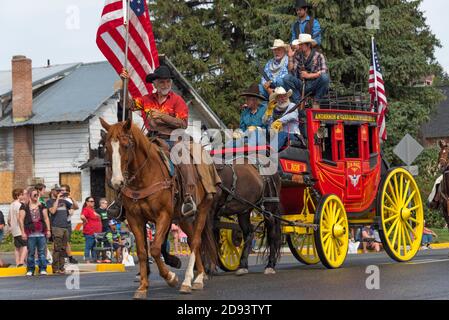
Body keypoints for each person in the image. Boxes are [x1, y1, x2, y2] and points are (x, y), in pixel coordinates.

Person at [120, 65, 207, 217]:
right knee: (128, 157)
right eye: (161, 82)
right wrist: (124, 85)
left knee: (185, 161)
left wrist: (161, 116)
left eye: (167, 82)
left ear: (170, 83)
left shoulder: (177, 101)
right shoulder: (146, 100)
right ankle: (120, 199)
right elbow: (128, 105)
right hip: (151, 139)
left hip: (173, 139)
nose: (165, 85)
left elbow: (183, 123)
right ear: (155, 84)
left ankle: (188, 197)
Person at [283, 33, 330, 107]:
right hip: (301, 84)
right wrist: (290, 57)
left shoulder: (318, 56)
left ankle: (316, 101)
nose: (300, 46)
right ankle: (298, 102)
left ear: (308, 45)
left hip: (314, 84)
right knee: (286, 78)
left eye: (302, 44)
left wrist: (309, 76)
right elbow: (291, 70)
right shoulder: (298, 56)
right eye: (300, 44)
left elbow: (324, 71)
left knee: (325, 78)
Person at [19, 188, 51, 276]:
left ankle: (43, 268)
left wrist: (48, 230)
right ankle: (30, 269)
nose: (36, 196)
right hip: (30, 233)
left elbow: (46, 218)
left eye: (37, 194)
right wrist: (23, 232)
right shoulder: (24, 206)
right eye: (34, 195)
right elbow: (21, 220)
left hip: (41, 233)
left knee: (41, 252)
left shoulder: (42, 205)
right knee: (31, 252)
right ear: (30, 195)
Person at [231, 83, 268, 148]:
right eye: (246, 99)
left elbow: (267, 127)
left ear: (255, 100)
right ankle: (224, 148)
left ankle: (247, 145)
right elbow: (242, 128)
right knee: (232, 141)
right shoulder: (244, 113)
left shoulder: (264, 110)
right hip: (246, 138)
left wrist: (256, 129)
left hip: (261, 138)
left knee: (257, 131)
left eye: (248, 99)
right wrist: (239, 132)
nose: (246, 101)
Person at [46, 187, 72, 274]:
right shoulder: (49, 201)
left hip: (65, 226)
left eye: (60, 191)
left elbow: (75, 207)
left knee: (63, 248)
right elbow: (52, 211)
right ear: (52, 192)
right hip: (56, 227)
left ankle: (61, 267)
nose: (59, 192)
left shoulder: (64, 201)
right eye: (57, 191)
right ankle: (55, 267)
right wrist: (57, 199)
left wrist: (72, 198)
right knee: (57, 248)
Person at [7, 188, 28, 267]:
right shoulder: (19, 205)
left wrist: (11, 226)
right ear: (18, 196)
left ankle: (17, 262)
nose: (23, 196)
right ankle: (21, 262)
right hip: (19, 229)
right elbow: (20, 218)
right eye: (22, 194)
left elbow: (8, 219)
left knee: (17, 247)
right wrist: (23, 230)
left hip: (14, 229)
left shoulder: (11, 205)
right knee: (26, 245)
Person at [60, 184, 79, 264]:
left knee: (67, 241)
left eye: (64, 190)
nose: (62, 192)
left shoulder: (69, 200)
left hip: (67, 222)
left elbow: (75, 208)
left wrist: (71, 197)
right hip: (58, 223)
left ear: (68, 191)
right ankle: (62, 257)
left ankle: (69, 257)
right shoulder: (58, 199)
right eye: (61, 190)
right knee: (59, 242)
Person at [80, 197, 102, 263]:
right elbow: (82, 216)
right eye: (91, 201)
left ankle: (94, 259)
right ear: (87, 202)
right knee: (88, 246)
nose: (92, 202)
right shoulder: (86, 209)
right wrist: (85, 220)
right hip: (90, 231)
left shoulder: (92, 209)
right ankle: (87, 259)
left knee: (94, 247)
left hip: (96, 232)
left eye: (93, 201)